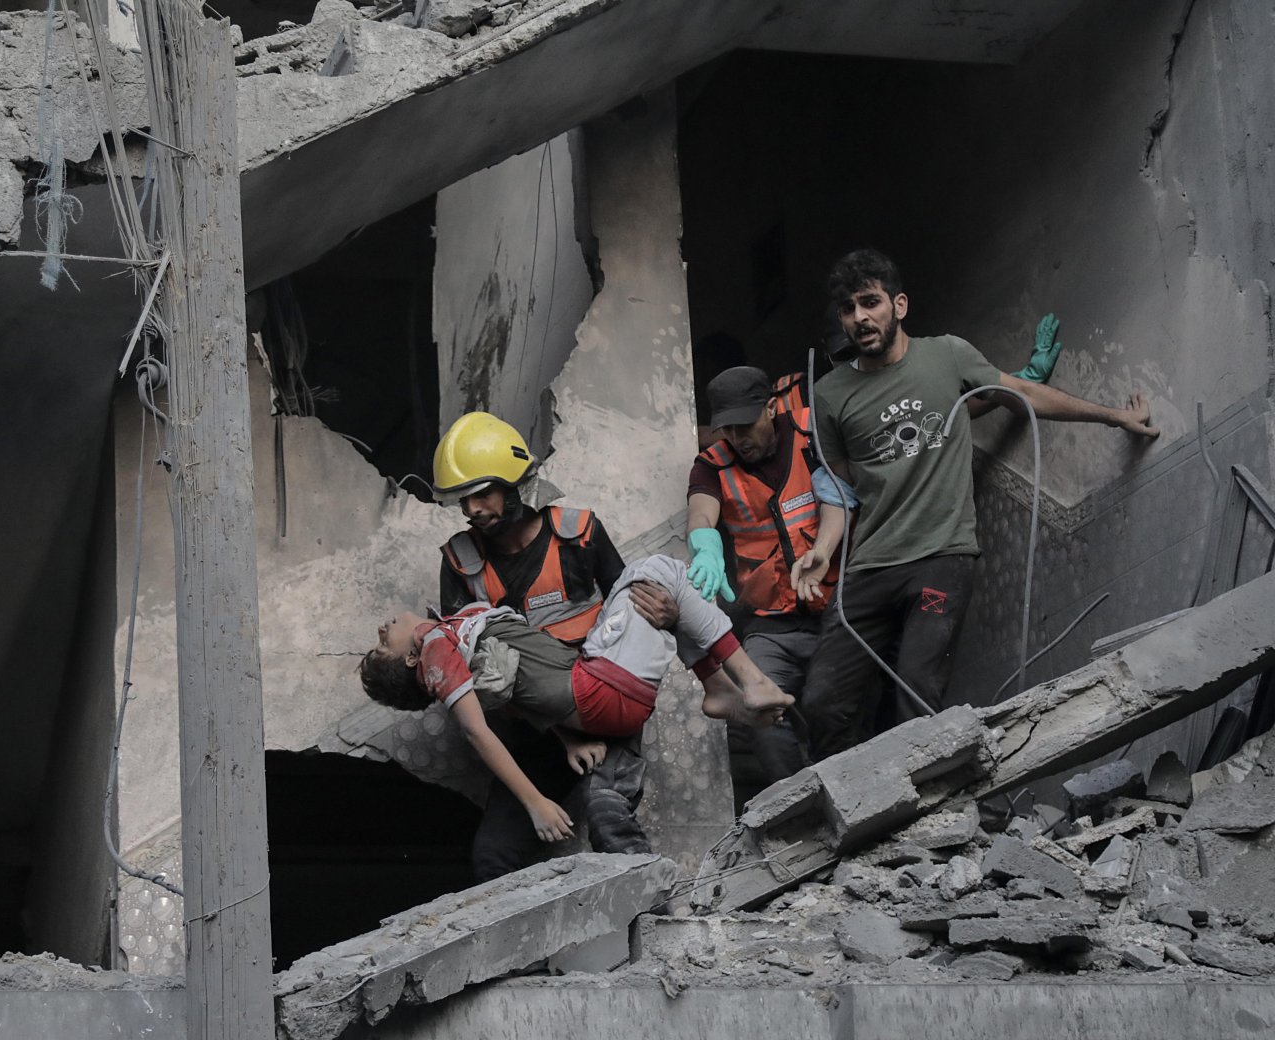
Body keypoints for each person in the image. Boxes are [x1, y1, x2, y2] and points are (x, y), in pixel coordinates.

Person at [797, 249, 1160, 758]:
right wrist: (823, 547)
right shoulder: (830, 394)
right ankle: (849, 817)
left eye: (870, 302)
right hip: (870, 566)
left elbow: (1019, 394)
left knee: (918, 691)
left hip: (941, 560)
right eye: (849, 309)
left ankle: (918, 818)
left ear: (898, 305)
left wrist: (1112, 417)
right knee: (821, 701)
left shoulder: (947, 354)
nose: (860, 317)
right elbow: (837, 488)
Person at [361, 554, 791, 847]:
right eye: (383, 645)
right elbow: (477, 731)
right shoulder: (436, 648)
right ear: (412, 659)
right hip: (602, 687)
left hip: (595, 682)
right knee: (657, 571)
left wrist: (569, 738)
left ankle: (717, 690)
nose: (382, 629)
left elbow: (513, 696)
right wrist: (536, 804)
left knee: (651, 592)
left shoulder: (451, 637)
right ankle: (749, 680)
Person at [431, 411, 678, 879]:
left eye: (482, 493)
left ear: (514, 484)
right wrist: (564, 735)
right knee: (492, 856)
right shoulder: (460, 565)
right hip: (535, 731)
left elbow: (637, 614)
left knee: (609, 819)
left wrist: (671, 614)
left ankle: (651, 932)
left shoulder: (579, 535)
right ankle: (527, 955)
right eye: (463, 500)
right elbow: (477, 683)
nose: (472, 510)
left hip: (605, 713)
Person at [685, 366, 853, 810]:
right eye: (728, 428)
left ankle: (853, 802)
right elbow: (701, 512)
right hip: (770, 623)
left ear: (772, 407)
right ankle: (801, 808)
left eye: (746, 424)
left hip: (839, 608)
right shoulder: (712, 465)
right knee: (759, 706)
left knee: (832, 703)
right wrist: (704, 545)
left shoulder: (812, 432)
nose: (738, 437)